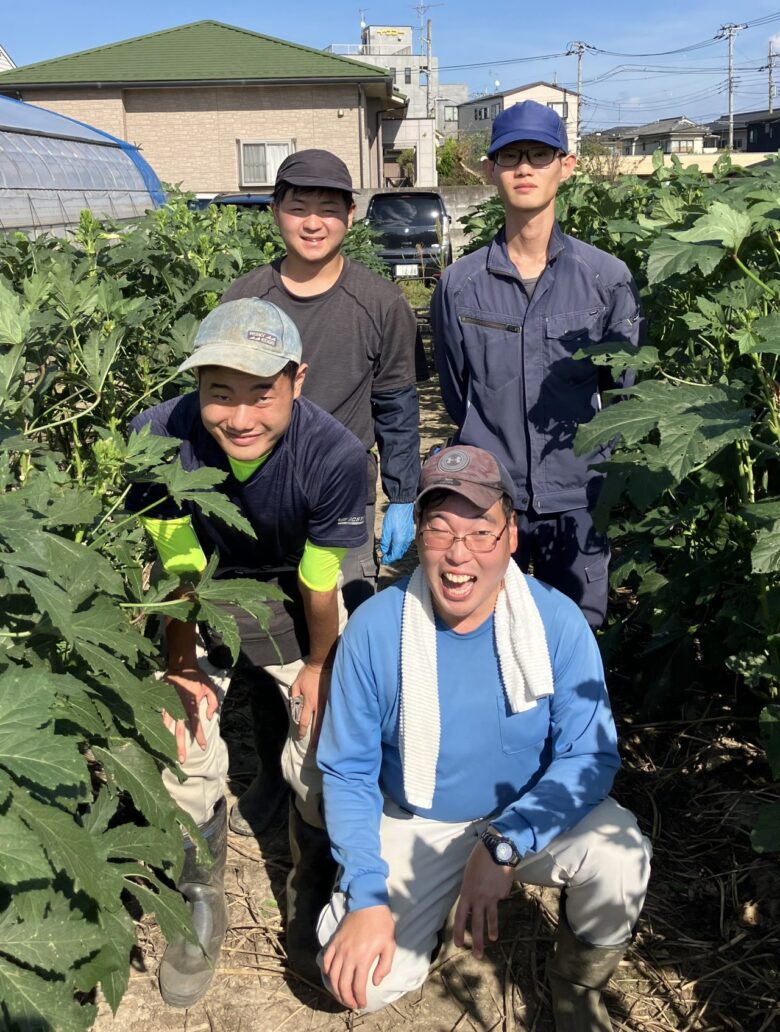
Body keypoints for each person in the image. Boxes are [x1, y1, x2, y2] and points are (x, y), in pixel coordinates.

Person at [316, 445, 652, 1030]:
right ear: (418, 535)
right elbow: (347, 772)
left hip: (526, 816)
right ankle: (428, 910)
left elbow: (590, 756)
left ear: (512, 536)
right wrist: (367, 896)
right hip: (418, 816)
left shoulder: (554, 622)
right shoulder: (376, 629)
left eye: (480, 532)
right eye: (439, 530)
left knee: (619, 851)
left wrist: (506, 842)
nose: (457, 554)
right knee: (356, 985)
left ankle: (577, 986)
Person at [126, 298, 368, 1004]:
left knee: (325, 743)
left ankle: (309, 889)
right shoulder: (156, 437)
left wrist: (321, 667)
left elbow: (319, 580)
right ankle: (200, 900)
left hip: (300, 595)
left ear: (298, 378)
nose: (239, 416)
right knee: (181, 736)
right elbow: (179, 568)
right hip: (204, 588)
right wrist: (178, 671)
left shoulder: (334, 456)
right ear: (195, 387)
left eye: (261, 393)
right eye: (217, 393)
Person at [221, 148, 424, 836]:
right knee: (265, 639)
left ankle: (340, 781)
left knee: (340, 641)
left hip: (339, 498)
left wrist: (400, 494)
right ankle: (276, 781)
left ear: (350, 216)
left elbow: (397, 402)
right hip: (256, 494)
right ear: (275, 211)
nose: (313, 222)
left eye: (328, 208)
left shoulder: (378, 301)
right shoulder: (247, 297)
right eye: (298, 206)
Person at [431, 101, 644, 629]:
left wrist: (591, 474)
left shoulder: (605, 278)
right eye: (509, 156)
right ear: (489, 169)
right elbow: (458, 393)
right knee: (485, 633)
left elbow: (621, 394)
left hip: (577, 501)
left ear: (565, 167)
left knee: (576, 636)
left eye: (539, 155)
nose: (524, 168)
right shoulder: (460, 285)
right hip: (488, 503)